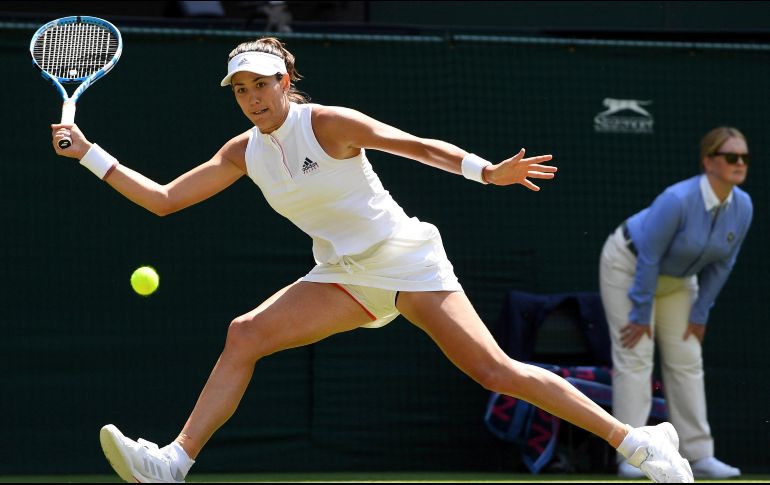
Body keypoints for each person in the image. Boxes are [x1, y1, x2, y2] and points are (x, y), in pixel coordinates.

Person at [52, 37, 693, 483]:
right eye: (240, 89)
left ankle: (640, 442)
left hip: (405, 259)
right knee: (244, 334)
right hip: (344, 274)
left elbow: (414, 146)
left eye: (262, 84)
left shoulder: (327, 123)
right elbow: (164, 200)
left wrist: (485, 172)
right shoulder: (242, 152)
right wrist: (88, 153)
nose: (252, 97)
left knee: (495, 371)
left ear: (285, 80)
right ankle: (174, 462)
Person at [599, 126, 752, 479]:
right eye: (731, 157)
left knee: (687, 359)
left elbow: (724, 263)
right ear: (708, 162)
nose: (740, 163)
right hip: (628, 265)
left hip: (680, 282)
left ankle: (699, 454)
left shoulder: (743, 206)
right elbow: (649, 257)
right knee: (635, 356)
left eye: (744, 157)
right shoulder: (677, 199)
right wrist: (639, 314)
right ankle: (631, 455)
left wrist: (700, 314)